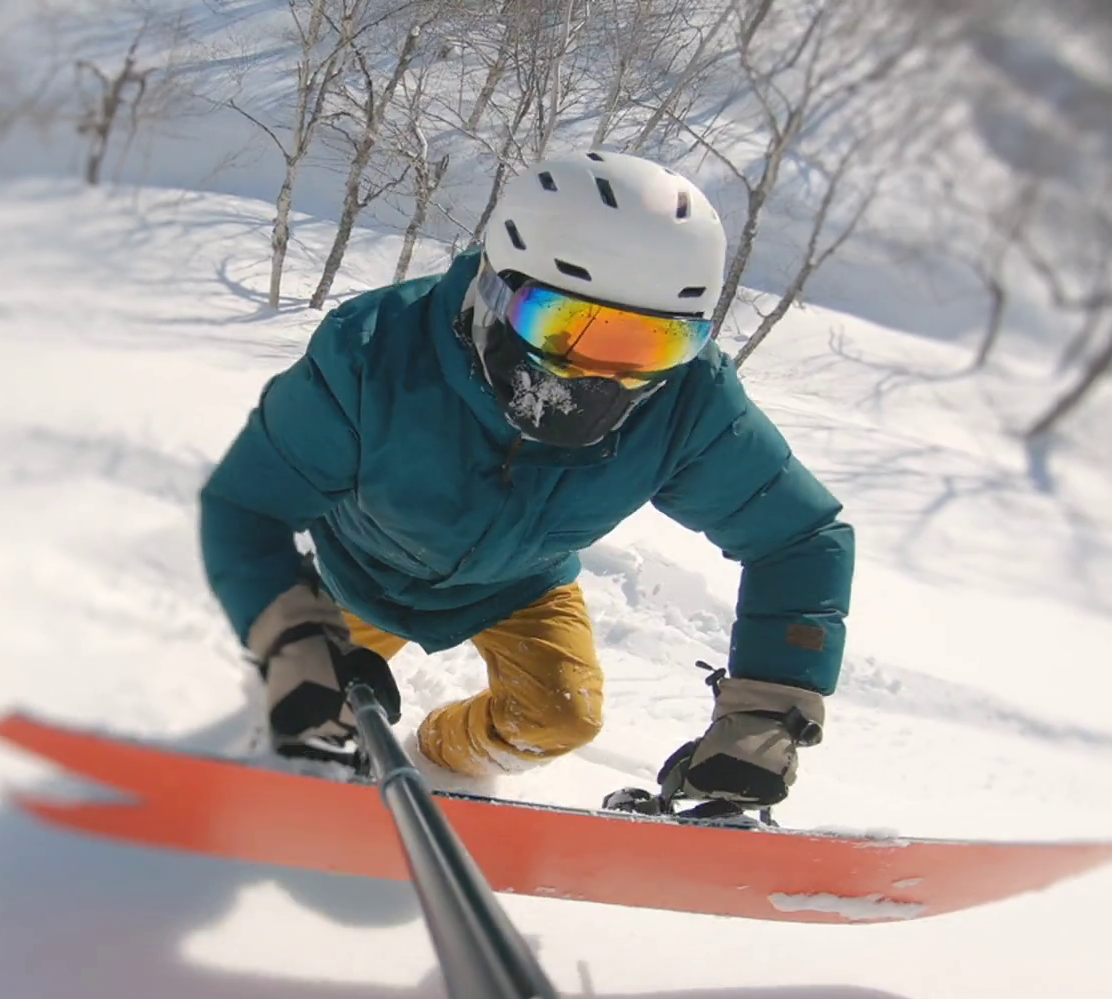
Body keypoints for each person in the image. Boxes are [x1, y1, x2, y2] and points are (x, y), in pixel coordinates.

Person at [198, 153, 853, 809]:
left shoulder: (686, 402)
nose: (599, 379)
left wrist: (768, 712)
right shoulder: (374, 353)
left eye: (651, 347)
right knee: (303, 708)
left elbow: (797, 537)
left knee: (561, 719)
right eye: (564, 327)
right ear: (494, 289)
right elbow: (246, 505)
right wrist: (297, 638)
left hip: (516, 581)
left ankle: (442, 755)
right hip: (357, 571)